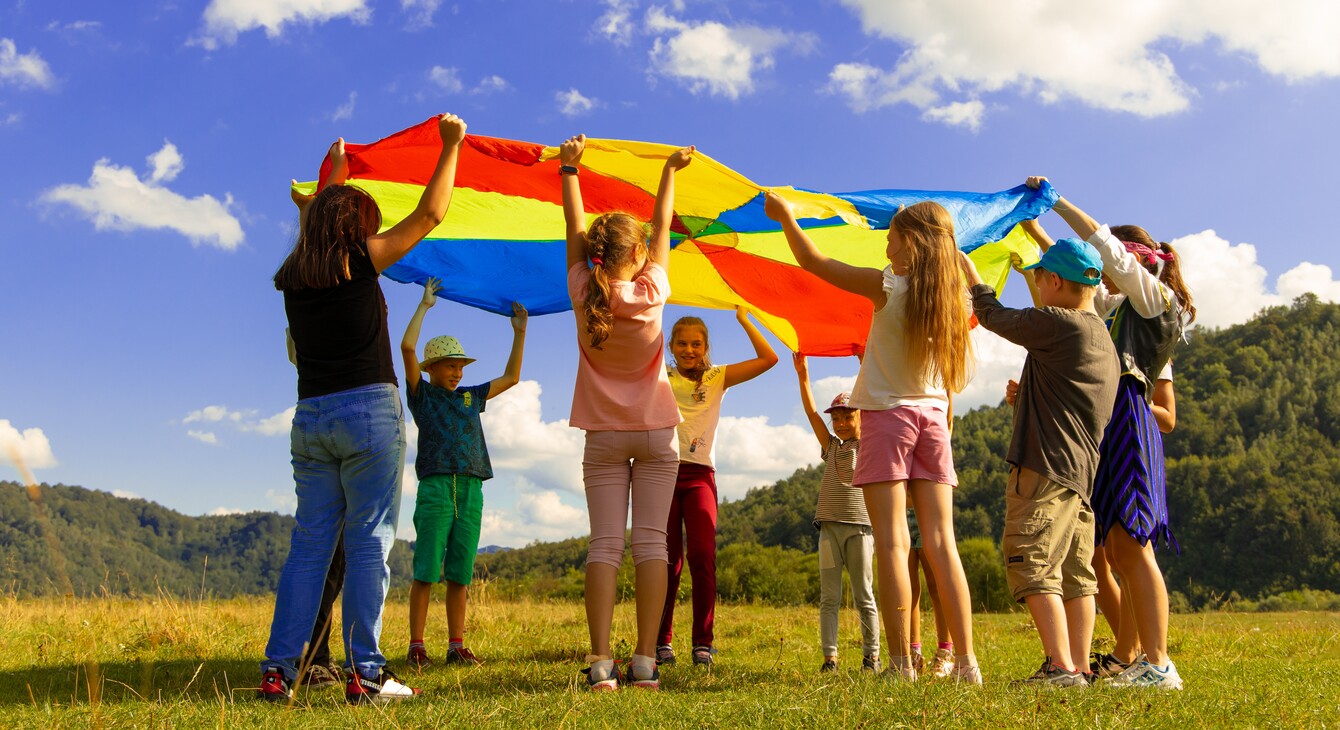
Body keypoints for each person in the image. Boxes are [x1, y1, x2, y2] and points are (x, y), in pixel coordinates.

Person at [259, 113, 467, 705]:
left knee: (310, 545)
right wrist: (449, 146)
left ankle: (279, 672)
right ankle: (367, 674)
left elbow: (315, 224)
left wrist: (336, 172)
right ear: (354, 228)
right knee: (370, 541)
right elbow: (431, 214)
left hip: (311, 419)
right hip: (368, 414)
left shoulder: (296, 274)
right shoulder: (361, 261)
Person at [765, 193, 982, 683]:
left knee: (891, 542)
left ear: (912, 243)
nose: (886, 246)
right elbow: (969, 278)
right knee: (944, 543)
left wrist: (786, 218)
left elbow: (813, 260)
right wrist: (957, 257)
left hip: (887, 417)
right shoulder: (957, 298)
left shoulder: (888, 287)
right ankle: (968, 663)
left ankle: (903, 664)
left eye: (892, 238)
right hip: (933, 419)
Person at [1031, 176, 1196, 690]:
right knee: (1120, 549)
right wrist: (1034, 229)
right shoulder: (1117, 306)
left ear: (1132, 263)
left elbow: (1099, 246)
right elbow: (1079, 275)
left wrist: (1056, 202)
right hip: (1109, 420)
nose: (1102, 275)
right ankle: (1144, 659)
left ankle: (1158, 661)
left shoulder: (1153, 299)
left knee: (1133, 547)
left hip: (1130, 418)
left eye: (1112, 264)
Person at [561, 133, 695, 691]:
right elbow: (664, 227)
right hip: (657, 434)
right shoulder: (654, 291)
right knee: (652, 546)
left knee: (604, 546)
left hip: (603, 438)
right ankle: (644, 661)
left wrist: (570, 170)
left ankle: (599, 663)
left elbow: (572, 232)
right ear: (637, 256)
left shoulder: (580, 290)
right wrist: (669, 170)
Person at [961, 234, 1119, 687]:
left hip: (1045, 467)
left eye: (1038, 278)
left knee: (1033, 562)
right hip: (1078, 475)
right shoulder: (1100, 338)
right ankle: (1081, 667)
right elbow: (1070, 402)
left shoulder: (1062, 323)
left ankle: (1059, 665)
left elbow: (993, 315)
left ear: (1053, 279)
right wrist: (1026, 396)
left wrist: (972, 277)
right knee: (1075, 575)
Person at [401, 277, 527, 668]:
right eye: (449, 366)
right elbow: (406, 347)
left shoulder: (472, 396)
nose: (456, 372)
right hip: (437, 487)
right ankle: (417, 645)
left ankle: (456, 644)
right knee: (425, 570)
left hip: (472, 487)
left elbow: (512, 378)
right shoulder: (422, 396)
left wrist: (519, 332)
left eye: (460, 366)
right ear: (432, 369)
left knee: (460, 573)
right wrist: (424, 306)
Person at [655, 309, 777, 667]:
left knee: (702, 557)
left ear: (706, 346)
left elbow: (769, 358)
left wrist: (744, 318)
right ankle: (662, 642)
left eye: (696, 343)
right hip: (662, 473)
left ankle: (702, 644)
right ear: (671, 346)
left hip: (700, 477)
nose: (689, 349)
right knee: (667, 562)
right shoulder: (661, 375)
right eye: (682, 342)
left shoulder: (717, 377)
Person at [794, 355, 881, 674]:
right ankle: (830, 658)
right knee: (829, 596)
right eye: (838, 419)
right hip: (828, 530)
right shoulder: (830, 446)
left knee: (864, 595)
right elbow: (812, 413)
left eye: (849, 416)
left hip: (860, 529)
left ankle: (871, 656)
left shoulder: (869, 443)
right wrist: (804, 376)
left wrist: (866, 364)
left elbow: (875, 398)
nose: (842, 423)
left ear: (861, 417)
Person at [907, 509, 954, 677]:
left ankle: (945, 653)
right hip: (900, 515)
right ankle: (913, 655)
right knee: (908, 591)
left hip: (926, 513)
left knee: (936, 586)